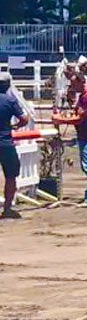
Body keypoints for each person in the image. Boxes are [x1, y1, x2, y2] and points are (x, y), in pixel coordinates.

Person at [52, 72, 87, 208]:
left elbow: (79, 119)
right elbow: (77, 114)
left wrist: (60, 120)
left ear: (81, 82)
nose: (72, 87)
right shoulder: (85, 96)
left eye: (74, 84)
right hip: (86, 135)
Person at [0, 72, 29, 218]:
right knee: (11, 176)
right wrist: (16, 126)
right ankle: (7, 208)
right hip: (5, 142)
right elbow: (24, 118)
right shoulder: (10, 100)